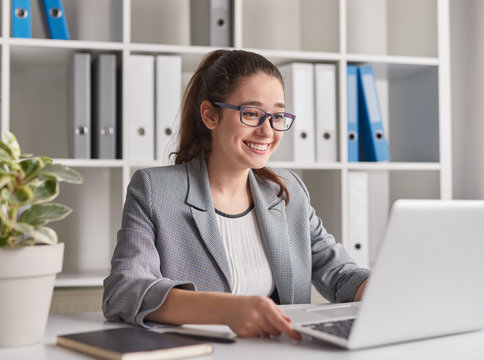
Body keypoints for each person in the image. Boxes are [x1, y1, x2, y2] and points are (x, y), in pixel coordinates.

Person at [103, 49, 369, 341]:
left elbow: (339, 273)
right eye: (252, 114)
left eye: (277, 116)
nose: (267, 131)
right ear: (210, 115)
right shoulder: (155, 189)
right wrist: (226, 310)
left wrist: (385, 288)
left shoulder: (287, 190)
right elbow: (124, 289)